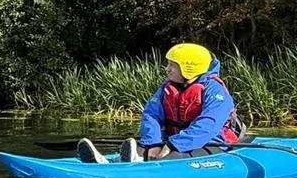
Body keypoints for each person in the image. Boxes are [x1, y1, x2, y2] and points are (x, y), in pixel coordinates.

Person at [79, 42, 244, 164]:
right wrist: (154, 142)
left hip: (212, 143)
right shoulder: (167, 87)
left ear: (189, 68)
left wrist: (173, 145)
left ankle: (134, 164)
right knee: (141, 147)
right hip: (172, 139)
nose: (167, 69)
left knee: (173, 157)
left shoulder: (215, 91)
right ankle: (107, 163)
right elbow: (151, 115)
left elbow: (208, 125)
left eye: (173, 65)